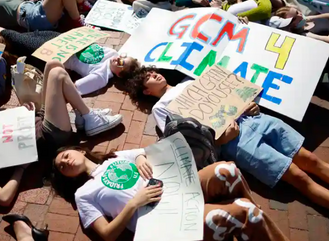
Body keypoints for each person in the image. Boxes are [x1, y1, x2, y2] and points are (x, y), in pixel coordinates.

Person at [126, 67, 329, 209]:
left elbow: (232, 93)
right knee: (298, 177)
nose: (155, 75)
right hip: (235, 140)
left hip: (253, 118)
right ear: (146, 90)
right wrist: (220, 142)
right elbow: (183, 140)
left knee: (310, 159)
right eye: (149, 78)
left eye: (154, 72)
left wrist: (252, 103)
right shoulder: (160, 108)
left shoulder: (190, 80)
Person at [51, 145, 289, 241]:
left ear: (79, 149)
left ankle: (253, 227)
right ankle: (251, 222)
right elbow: (106, 234)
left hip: (176, 188)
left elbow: (142, 151)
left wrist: (141, 157)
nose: (65, 162)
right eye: (62, 168)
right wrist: (134, 203)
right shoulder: (83, 194)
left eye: (64, 156)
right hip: (163, 220)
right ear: (67, 179)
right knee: (244, 212)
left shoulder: (115, 157)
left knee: (227, 170)